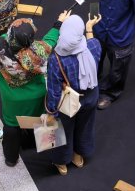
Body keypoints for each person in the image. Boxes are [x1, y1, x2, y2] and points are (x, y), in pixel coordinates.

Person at [0, 11, 70, 167]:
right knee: (42, 118)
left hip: (12, 97)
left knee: (12, 126)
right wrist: (59, 23)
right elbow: (50, 41)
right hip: (37, 94)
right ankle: (45, 147)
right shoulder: (38, 53)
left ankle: (11, 158)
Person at [44, 14, 102, 175]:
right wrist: (89, 27)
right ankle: (79, 155)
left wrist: (51, 111)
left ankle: (61, 162)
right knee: (85, 127)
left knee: (62, 130)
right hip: (90, 98)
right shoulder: (93, 47)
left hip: (68, 102)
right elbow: (91, 40)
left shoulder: (56, 58)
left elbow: (54, 90)